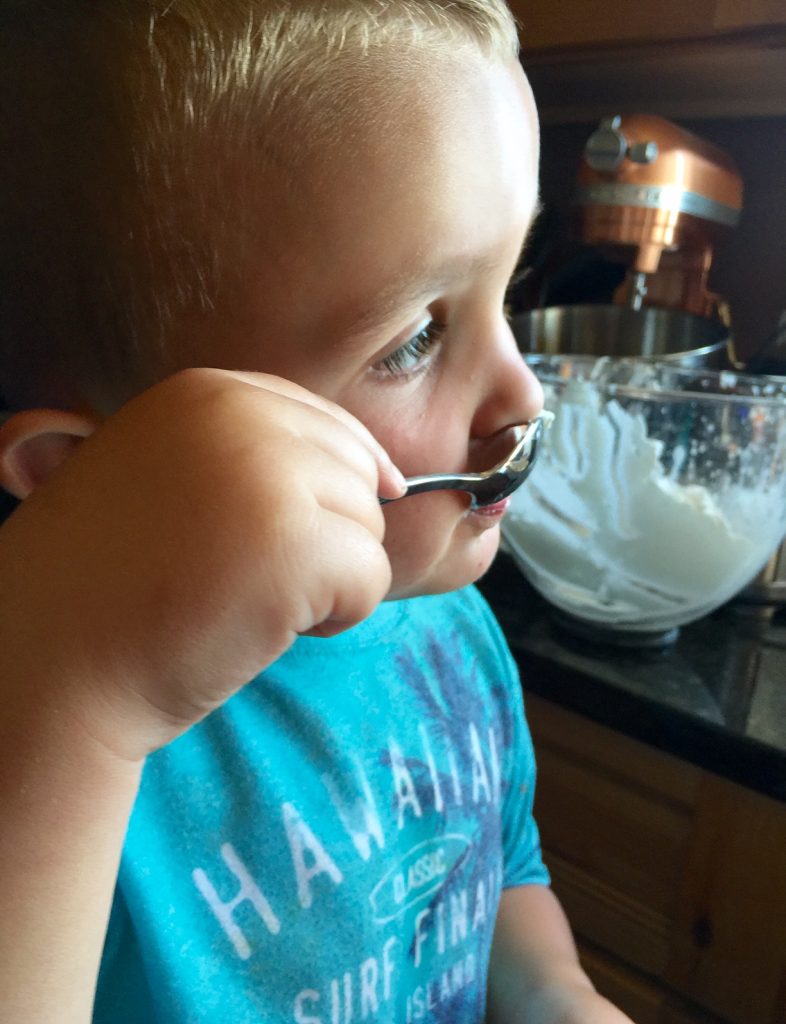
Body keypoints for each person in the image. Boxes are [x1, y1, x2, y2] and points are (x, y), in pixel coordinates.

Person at [0, 2, 635, 1021]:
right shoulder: (56, 735)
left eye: (506, 289)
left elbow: (494, 863)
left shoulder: (450, 625)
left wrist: (556, 993)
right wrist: (83, 705)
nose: (524, 393)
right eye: (413, 340)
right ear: (83, 474)